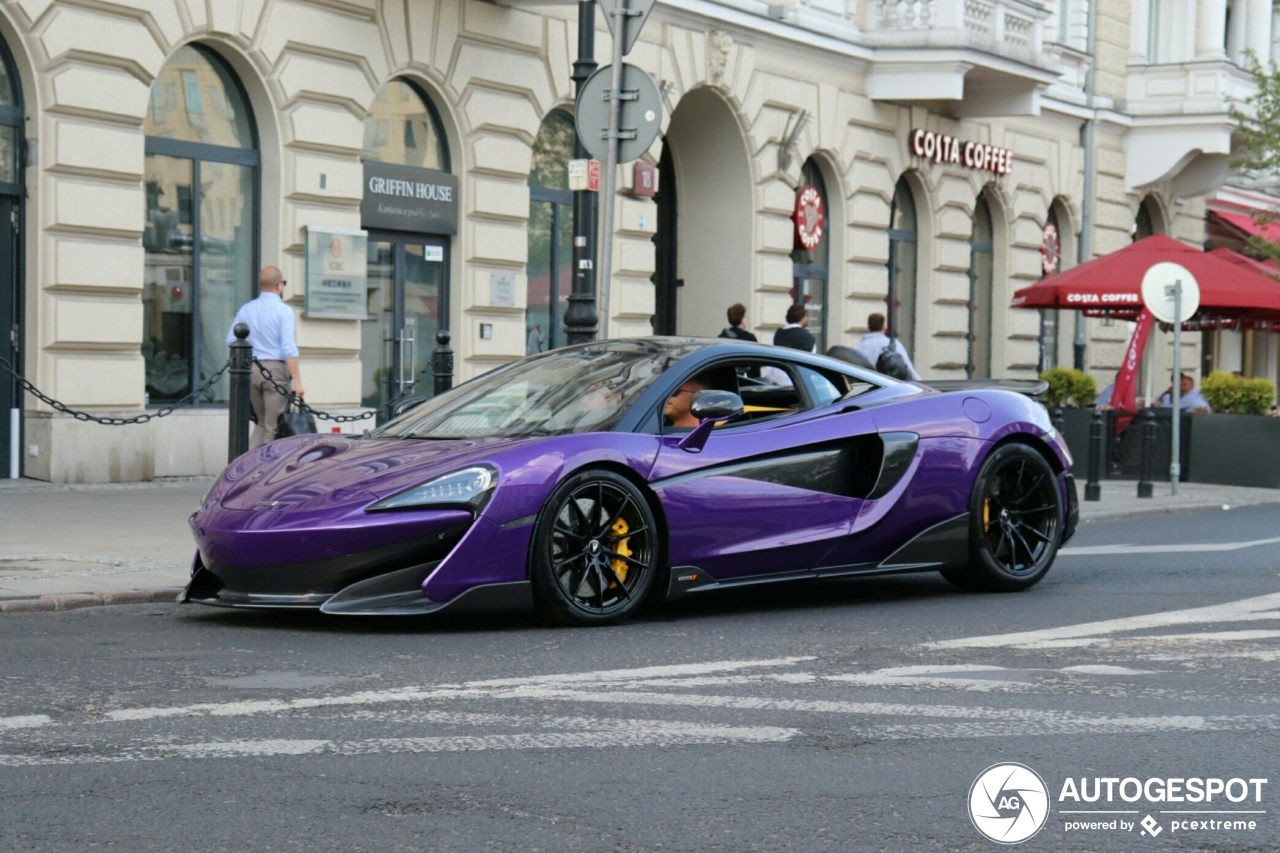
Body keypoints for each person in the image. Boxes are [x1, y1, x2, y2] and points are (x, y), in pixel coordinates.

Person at [227, 265, 303, 449]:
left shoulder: (247, 309)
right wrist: (298, 382)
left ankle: (247, 466)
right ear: (279, 285)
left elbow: (230, 338)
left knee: (261, 422)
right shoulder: (283, 311)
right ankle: (264, 470)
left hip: (250, 369)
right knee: (272, 426)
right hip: (275, 371)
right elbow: (288, 348)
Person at [853, 313, 920, 380]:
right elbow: (908, 366)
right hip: (886, 383)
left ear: (868, 327)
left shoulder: (859, 346)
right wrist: (919, 382)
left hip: (867, 384)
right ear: (884, 327)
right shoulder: (891, 344)